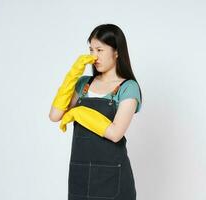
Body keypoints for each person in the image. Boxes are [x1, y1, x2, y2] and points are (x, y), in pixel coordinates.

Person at [49, 23, 142, 200]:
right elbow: (55, 115)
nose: (94, 56)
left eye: (100, 50)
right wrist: (72, 76)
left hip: (112, 177)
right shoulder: (84, 84)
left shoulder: (128, 87)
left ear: (116, 51)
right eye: (91, 50)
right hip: (80, 174)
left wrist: (80, 112)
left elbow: (115, 133)